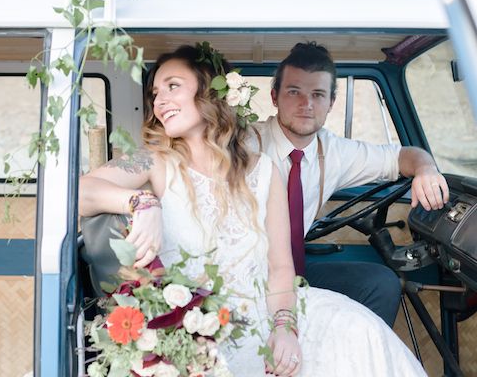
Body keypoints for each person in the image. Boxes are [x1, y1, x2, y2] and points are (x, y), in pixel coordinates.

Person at [79, 44, 426, 376]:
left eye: (173, 86)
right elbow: (80, 191)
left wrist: (284, 329)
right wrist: (142, 201)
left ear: (209, 92)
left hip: (268, 311)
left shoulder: (263, 171)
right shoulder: (152, 160)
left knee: (361, 332)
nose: (161, 101)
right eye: (156, 93)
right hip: (197, 329)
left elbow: (279, 267)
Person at [254, 42, 450, 327]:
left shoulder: (334, 151)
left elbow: (403, 156)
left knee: (380, 283)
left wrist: (427, 170)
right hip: (245, 275)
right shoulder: (244, 143)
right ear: (274, 97)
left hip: (297, 272)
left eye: (317, 94)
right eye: (294, 92)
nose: (306, 104)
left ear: (331, 103)